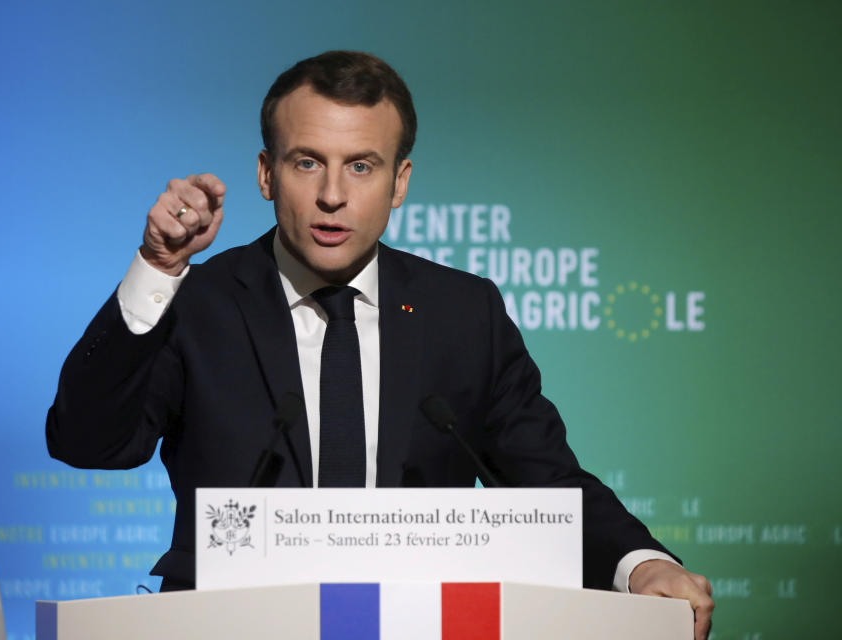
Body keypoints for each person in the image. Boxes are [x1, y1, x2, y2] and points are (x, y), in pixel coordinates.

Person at [46, 50, 714, 637]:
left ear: (399, 183)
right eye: (308, 162)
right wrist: (158, 269)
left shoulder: (462, 312)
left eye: (361, 166)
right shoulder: (197, 302)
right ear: (266, 174)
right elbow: (89, 443)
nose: (332, 195)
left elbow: (543, 475)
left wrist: (641, 564)